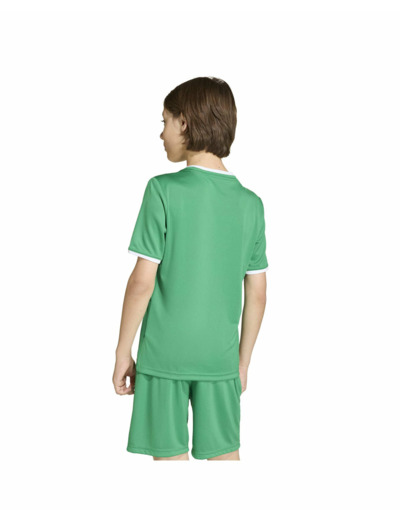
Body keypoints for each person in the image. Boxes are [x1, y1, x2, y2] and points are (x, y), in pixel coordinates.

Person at [112, 76, 268, 461]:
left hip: (163, 357)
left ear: (184, 122)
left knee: (169, 463)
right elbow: (257, 293)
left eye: (164, 122)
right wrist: (242, 363)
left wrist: (122, 351)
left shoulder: (162, 190)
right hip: (220, 359)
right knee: (225, 459)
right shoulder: (251, 204)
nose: (161, 133)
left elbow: (141, 283)